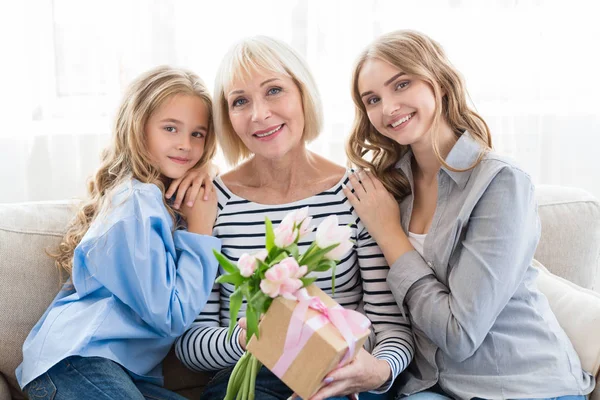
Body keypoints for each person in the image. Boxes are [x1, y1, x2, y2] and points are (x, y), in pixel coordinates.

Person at [343, 30, 595, 399]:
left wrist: (390, 235)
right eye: (373, 99)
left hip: (521, 384)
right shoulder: (389, 187)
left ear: (439, 83)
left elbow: (459, 335)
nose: (388, 107)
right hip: (430, 382)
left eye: (402, 84)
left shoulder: (500, 183)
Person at [173, 36, 413, 400]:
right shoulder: (210, 203)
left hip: (342, 382)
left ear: (303, 93)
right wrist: (254, 336)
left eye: (274, 91)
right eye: (240, 101)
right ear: (228, 117)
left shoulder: (357, 193)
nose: (259, 114)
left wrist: (377, 371)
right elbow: (190, 344)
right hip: (250, 385)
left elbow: (392, 329)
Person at [16, 66, 222, 400]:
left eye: (197, 134)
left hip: (126, 372)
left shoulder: (158, 201)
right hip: (78, 361)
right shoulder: (136, 203)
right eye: (171, 128)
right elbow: (171, 315)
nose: (185, 144)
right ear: (138, 129)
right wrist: (200, 230)